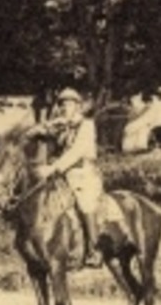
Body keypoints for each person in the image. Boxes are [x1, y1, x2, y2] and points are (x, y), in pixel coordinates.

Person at [30, 87, 109, 267]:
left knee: (84, 202)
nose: (65, 107)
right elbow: (37, 134)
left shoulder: (86, 125)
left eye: (69, 104)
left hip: (84, 173)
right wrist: (40, 128)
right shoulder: (61, 125)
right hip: (63, 174)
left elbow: (76, 152)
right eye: (62, 104)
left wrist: (52, 168)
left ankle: (94, 250)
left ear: (77, 106)